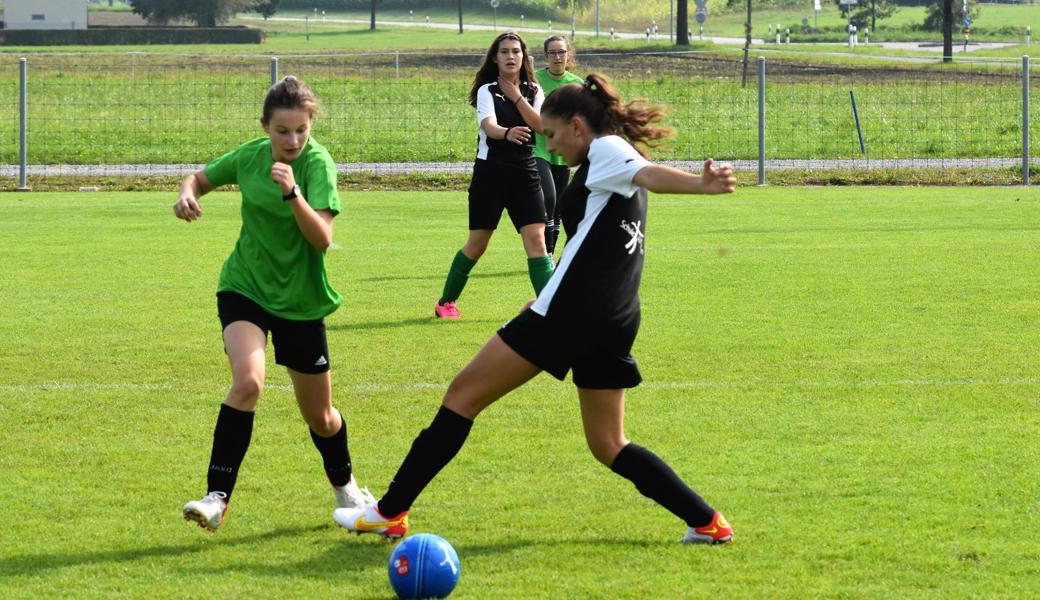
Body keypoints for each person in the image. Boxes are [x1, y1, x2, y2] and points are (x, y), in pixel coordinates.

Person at [335, 73, 737, 544]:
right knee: (609, 445)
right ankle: (707, 522)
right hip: (611, 319)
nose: (549, 146)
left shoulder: (606, 152)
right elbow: (590, 244)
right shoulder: (606, 167)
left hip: (571, 317)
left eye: (551, 135)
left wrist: (700, 185)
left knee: (462, 395)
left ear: (577, 126)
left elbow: (649, 174)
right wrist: (543, 296)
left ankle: (389, 511)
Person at [174, 76, 374, 532]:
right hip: (245, 286)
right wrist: (187, 194)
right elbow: (200, 178)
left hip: (301, 301)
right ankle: (216, 498)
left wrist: (293, 193)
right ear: (265, 126)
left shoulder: (317, 165)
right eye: (283, 131)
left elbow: (322, 239)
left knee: (321, 418)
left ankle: (345, 485)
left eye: (301, 130)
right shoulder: (249, 155)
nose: (293, 140)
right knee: (248, 384)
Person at [434, 31, 554, 319]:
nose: (511, 56)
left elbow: (542, 126)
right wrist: (507, 132)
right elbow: (488, 126)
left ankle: (552, 308)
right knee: (478, 244)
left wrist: (516, 98)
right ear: (495, 58)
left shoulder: (535, 91)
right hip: (491, 176)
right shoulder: (487, 90)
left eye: (516, 51)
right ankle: (446, 302)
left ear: (524, 56)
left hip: (526, 176)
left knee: (538, 242)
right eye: (504, 51)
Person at [533, 35, 583, 256]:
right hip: (539, 147)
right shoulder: (534, 80)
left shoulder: (577, 84)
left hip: (563, 150)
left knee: (559, 205)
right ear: (545, 56)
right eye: (552, 53)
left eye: (561, 52)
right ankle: (545, 252)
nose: (557, 57)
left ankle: (549, 254)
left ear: (567, 54)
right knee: (549, 198)